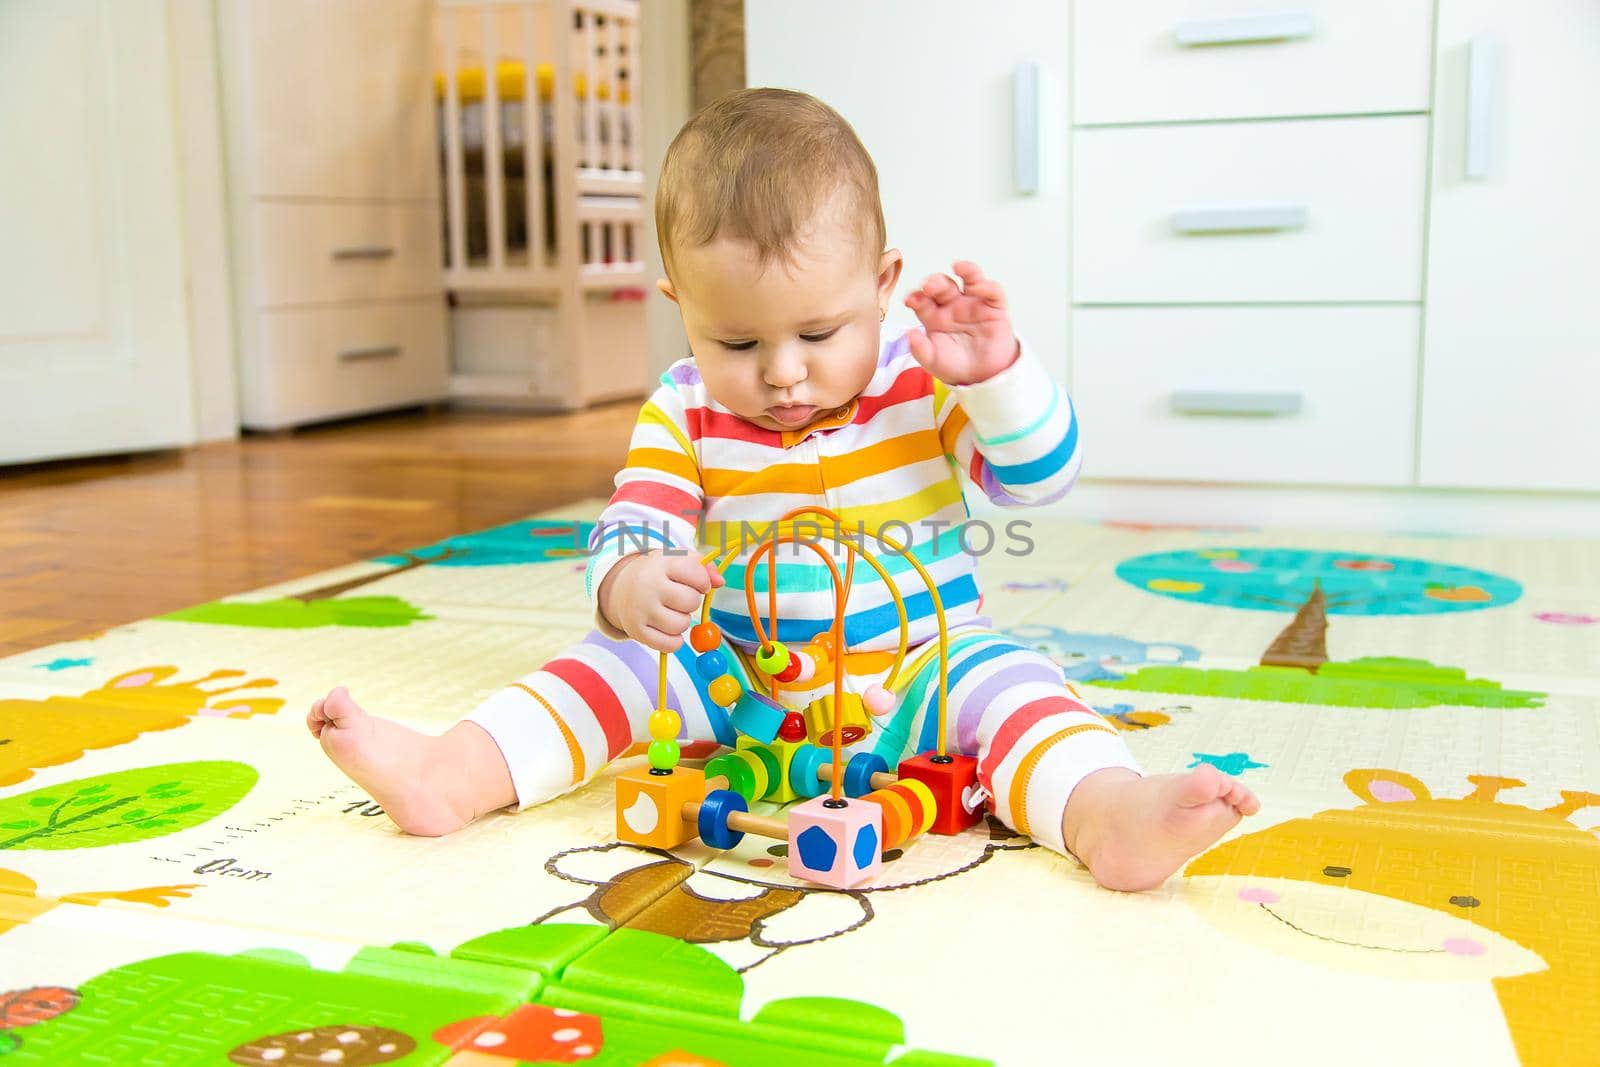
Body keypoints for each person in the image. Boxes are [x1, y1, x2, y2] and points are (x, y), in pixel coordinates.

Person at [309, 88, 1258, 891]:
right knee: (615, 662)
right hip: (738, 680)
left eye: (818, 332)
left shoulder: (922, 381)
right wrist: (630, 586)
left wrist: (996, 376)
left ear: (881, 284)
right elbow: (633, 522)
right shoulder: (683, 408)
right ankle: (454, 771)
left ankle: (1104, 811)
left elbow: (1039, 477)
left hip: (922, 666)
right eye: (737, 342)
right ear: (680, 305)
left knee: (1017, 685)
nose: (784, 375)